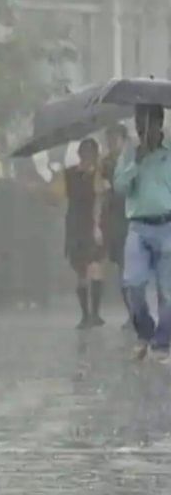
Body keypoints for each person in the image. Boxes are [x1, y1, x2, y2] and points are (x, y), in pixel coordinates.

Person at [114, 104, 171, 361]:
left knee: (168, 291)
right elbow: (119, 187)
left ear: (159, 124)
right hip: (138, 227)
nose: (142, 128)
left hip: (168, 226)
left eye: (147, 122)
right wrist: (135, 162)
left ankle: (162, 341)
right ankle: (144, 331)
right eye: (138, 122)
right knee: (133, 285)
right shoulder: (129, 153)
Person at [58, 138, 106, 328]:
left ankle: (94, 313)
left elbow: (100, 200)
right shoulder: (69, 174)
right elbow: (58, 194)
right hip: (75, 224)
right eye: (84, 153)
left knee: (95, 267)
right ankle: (85, 315)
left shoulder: (99, 175)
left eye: (91, 154)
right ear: (79, 154)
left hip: (92, 224)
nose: (87, 157)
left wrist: (97, 227)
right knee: (81, 270)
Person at [102, 125, 132, 328]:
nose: (111, 142)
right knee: (122, 268)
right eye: (109, 138)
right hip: (115, 220)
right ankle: (132, 313)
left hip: (134, 216)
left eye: (115, 138)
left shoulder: (134, 160)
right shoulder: (105, 164)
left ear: (124, 139)